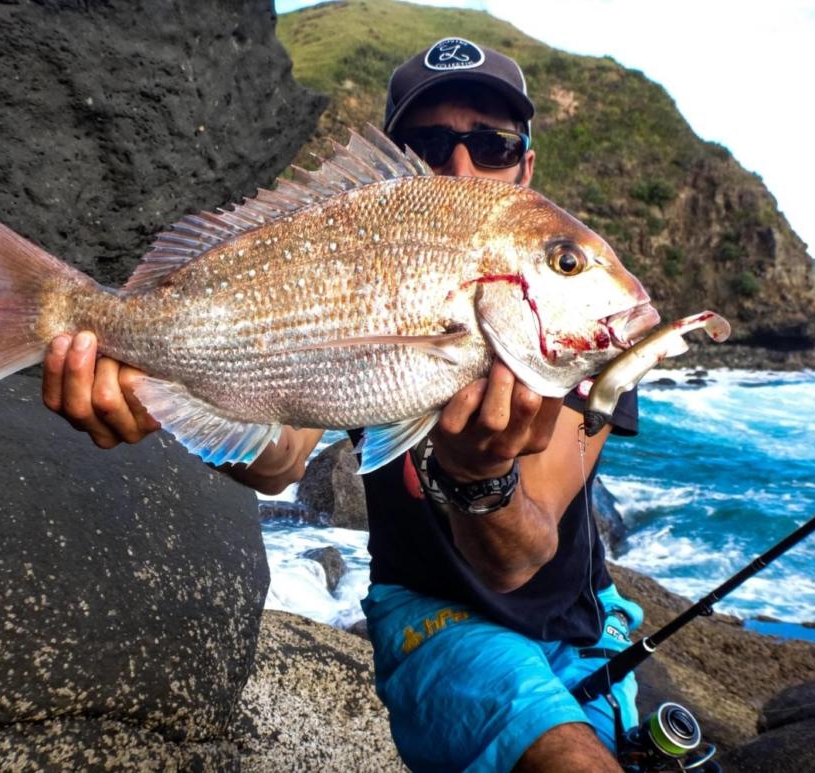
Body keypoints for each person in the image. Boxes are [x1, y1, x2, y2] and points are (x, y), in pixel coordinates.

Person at [41, 37, 643, 773]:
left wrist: (483, 479)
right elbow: (279, 460)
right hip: (431, 612)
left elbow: (522, 554)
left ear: (526, 164)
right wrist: (158, 391)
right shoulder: (360, 245)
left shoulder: (576, 326)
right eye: (427, 143)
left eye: (491, 144)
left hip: (586, 623)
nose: (459, 167)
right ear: (394, 152)